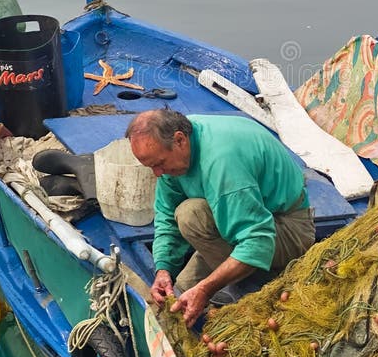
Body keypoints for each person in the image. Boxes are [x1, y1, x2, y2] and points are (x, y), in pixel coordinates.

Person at [126, 109, 315, 326]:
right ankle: (230, 274)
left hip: (287, 227)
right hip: (239, 215)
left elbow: (258, 240)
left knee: (191, 215)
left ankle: (255, 281)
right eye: (151, 167)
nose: (157, 173)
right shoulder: (179, 147)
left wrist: (206, 289)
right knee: (175, 297)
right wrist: (163, 269)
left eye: (159, 164)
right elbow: (167, 215)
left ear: (179, 140)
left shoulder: (222, 163)